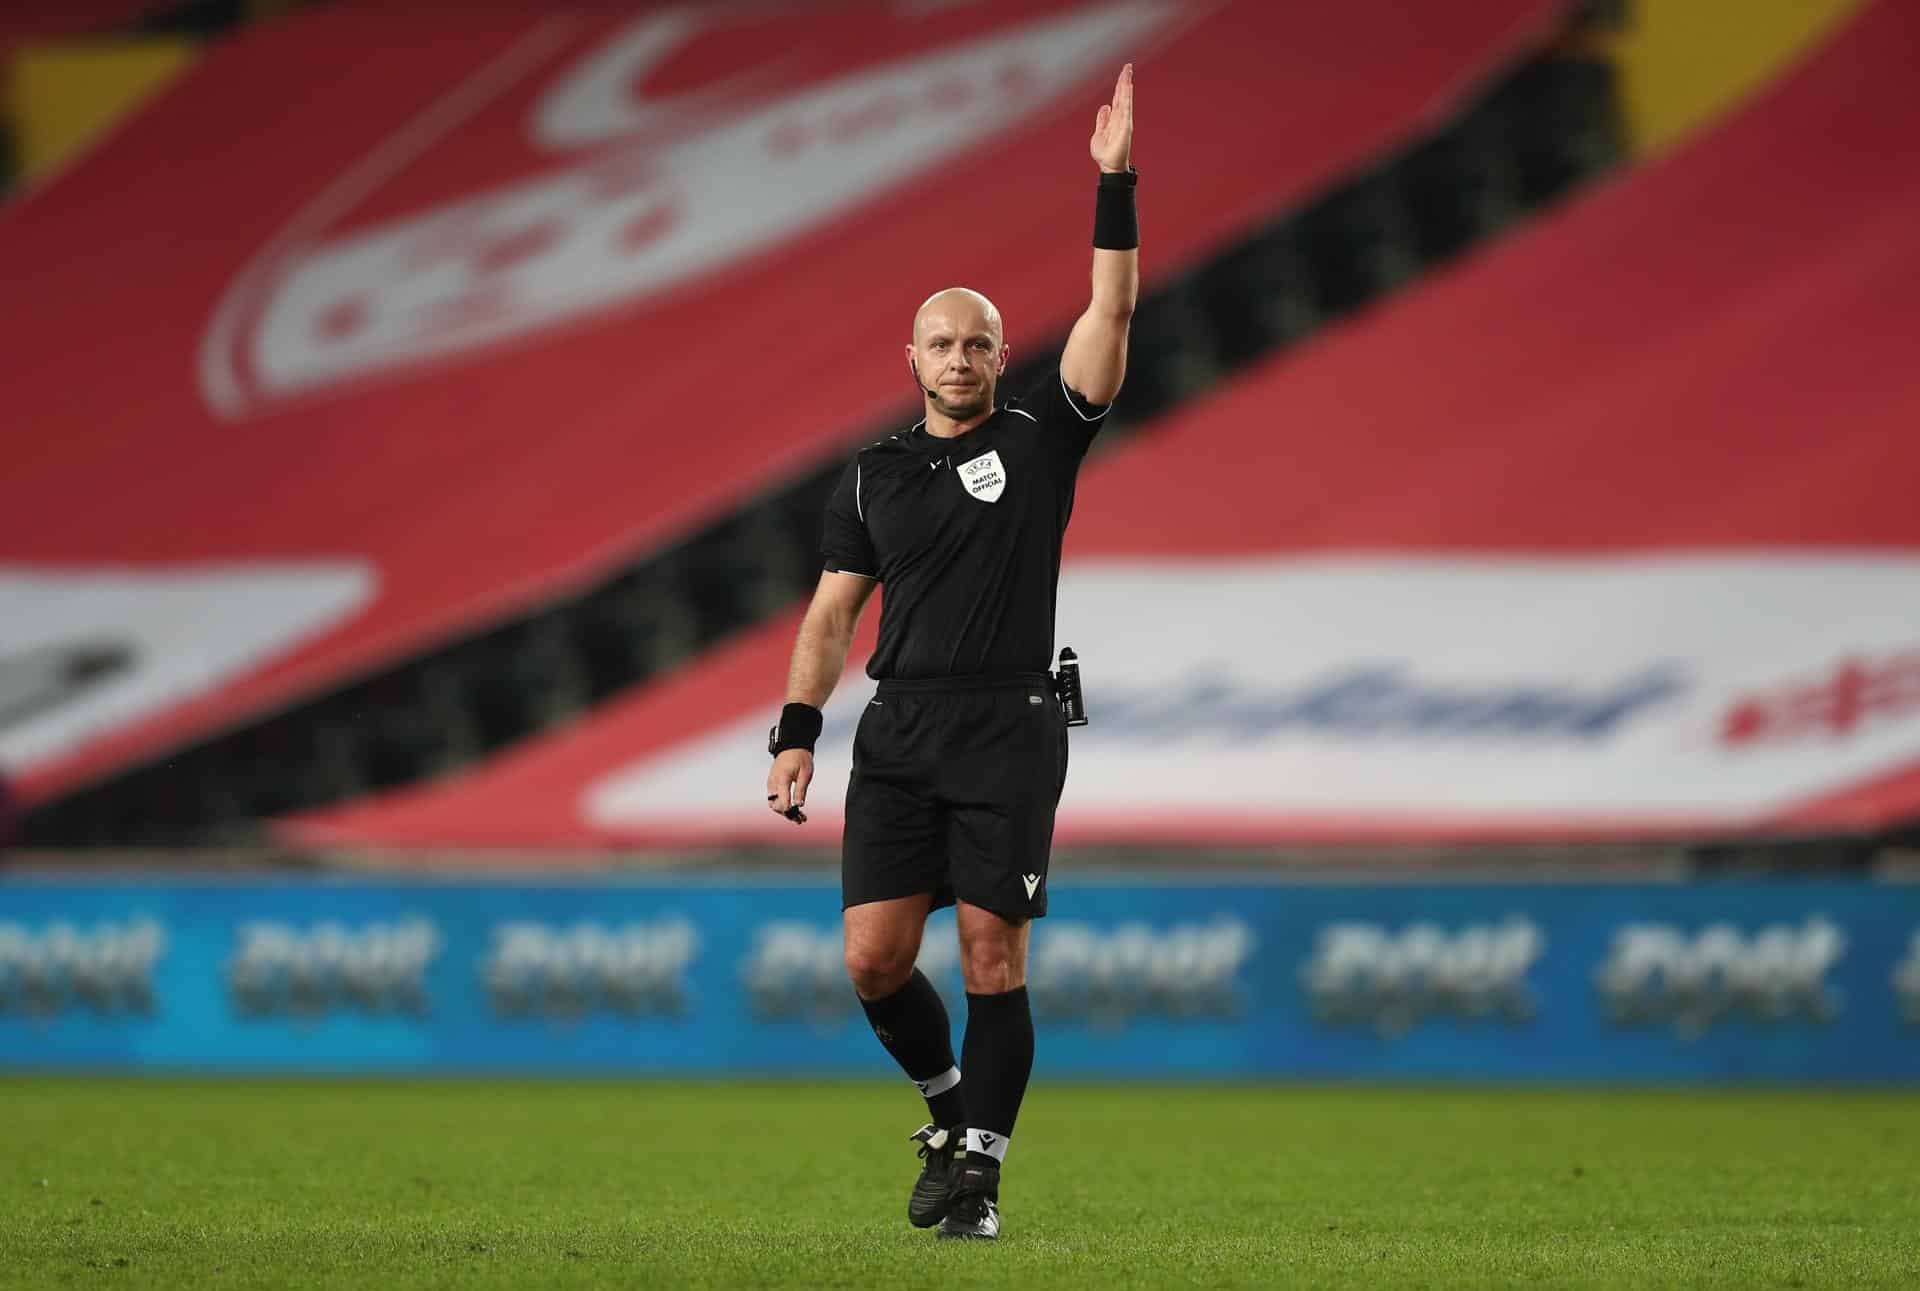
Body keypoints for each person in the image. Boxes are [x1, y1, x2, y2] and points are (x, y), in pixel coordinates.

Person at [763, 64, 1139, 1241]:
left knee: (992, 953)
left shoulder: (1043, 444)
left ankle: (977, 1172)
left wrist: (1115, 182)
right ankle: (945, 1110)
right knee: (874, 960)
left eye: (978, 343)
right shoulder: (874, 476)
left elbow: (1114, 314)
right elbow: (830, 618)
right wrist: (794, 731)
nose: (961, 359)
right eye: (941, 344)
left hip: (1013, 720)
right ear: (912, 358)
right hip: (900, 727)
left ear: (998, 352)